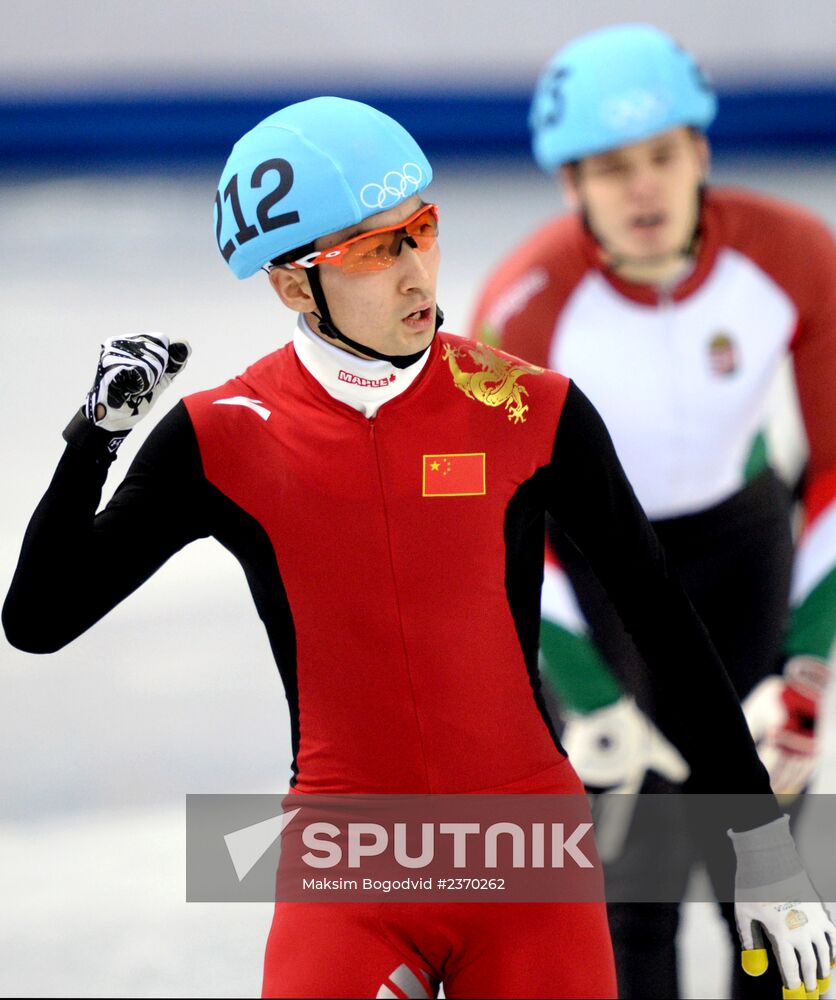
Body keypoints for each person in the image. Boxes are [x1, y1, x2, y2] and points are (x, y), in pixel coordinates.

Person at [3, 96, 833, 1000]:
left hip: (528, 866)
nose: (416, 274)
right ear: (292, 284)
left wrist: (765, 848)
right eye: (372, 249)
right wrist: (94, 439)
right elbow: (40, 621)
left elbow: (666, 627)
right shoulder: (224, 436)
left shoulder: (533, 409)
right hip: (350, 872)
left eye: (421, 230)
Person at [470, 23, 836, 1000]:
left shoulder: (793, 256)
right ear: (569, 184)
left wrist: (802, 673)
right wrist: (583, 688)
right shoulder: (525, 302)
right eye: (608, 167)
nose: (639, 188)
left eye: (661, 157)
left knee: (761, 865)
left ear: (700, 155)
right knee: (626, 883)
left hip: (739, 552)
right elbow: (495, 523)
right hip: (594, 576)